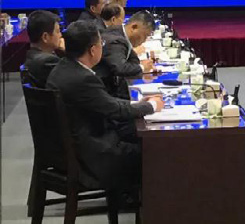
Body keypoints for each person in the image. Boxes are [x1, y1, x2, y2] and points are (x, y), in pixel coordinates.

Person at [46, 21, 162, 191]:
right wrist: (152, 106)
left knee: (135, 131)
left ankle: (132, 196)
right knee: (156, 150)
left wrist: (137, 104)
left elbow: (105, 102)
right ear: (93, 50)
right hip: (93, 154)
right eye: (101, 43)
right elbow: (115, 110)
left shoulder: (63, 68)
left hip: (78, 142)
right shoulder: (82, 79)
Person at [94, 11, 155, 99]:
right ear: (134, 27)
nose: (144, 40)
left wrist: (142, 67)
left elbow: (134, 61)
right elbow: (120, 68)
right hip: (102, 92)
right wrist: (142, 67)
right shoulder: (115, 40)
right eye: (145, 36)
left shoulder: (120, 34)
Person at [24, 10, 63, 88]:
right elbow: (76, 79)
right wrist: (69, 51)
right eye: (58, 31)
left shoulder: (31, 55)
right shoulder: (48, 62)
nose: (60, 35)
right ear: (45, 37)